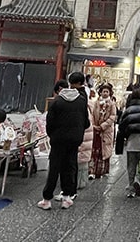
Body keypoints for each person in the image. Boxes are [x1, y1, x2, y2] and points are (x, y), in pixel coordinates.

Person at [38, 72, 90, 210]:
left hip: (58, 140)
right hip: (74, 140)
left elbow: (49, 123)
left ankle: (47, 199)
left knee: (54, 168)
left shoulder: (57, 102)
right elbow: (86, 122)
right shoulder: (81, 101)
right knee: (70, 166)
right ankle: (67, 197)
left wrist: (53, 135)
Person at [90, 83, 116, 179]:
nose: (105, 93)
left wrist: (102, 126)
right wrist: (94, 125)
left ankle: (102, 171)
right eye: (103, 91)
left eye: (107, 92)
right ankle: (92, 170)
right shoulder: (96, 103)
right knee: (95, 150)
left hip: (106, 131)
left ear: (110, 93)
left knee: (104, 151)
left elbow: (112, 117)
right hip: (96, 129)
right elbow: (92, 114)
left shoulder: (112, 104)